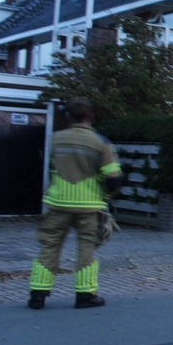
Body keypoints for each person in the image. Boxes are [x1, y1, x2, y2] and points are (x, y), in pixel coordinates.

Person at [28, 98, 123, 310]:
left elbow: (50, 168)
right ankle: (85, 295)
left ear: (68, 116)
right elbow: (113, 179)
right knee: (86, 248)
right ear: (90, 116)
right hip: (88, 206)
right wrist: (107, 196)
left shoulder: (55, 139)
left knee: (50, 245)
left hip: (58, 203)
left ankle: (38, 294)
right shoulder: (101, 143)